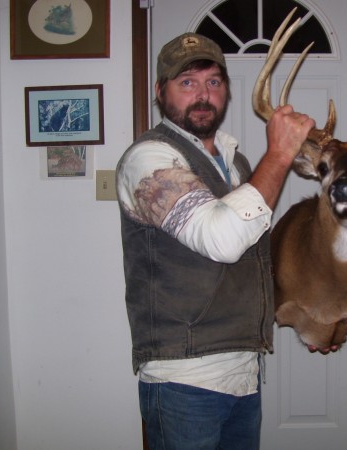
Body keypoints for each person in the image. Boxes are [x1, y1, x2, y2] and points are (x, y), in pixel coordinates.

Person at [116, 32, 314, 450]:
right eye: (187, 82)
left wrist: (316, 317)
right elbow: (221, 239)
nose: (203, 95)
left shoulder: (236, 161)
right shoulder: (148, 159)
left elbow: (253, 260)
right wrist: (278, 154)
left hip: (243, 370)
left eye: (213, 82)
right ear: (159, 91)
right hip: (184, 381)